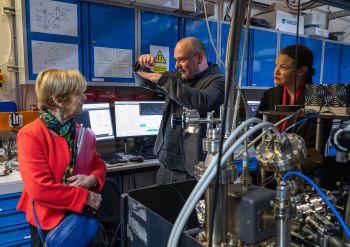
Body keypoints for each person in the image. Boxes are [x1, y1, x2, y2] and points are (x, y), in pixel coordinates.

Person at [16, 69, 106, 246]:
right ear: (59, 100)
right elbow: (40, 189)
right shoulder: (31, 134)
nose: (85, 97)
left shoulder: (81, 133)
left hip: (80, 218)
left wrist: (92, 178)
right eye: (78, 93)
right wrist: (86, 197)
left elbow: (99, 164)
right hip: (49, 223)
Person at [134, 37, 225, 184]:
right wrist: (141, 66)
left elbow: (201, 102)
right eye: (176, 60)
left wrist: (163, 80)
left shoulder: (218, 81)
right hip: (165, 165)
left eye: (182, 60)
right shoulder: (177, 76)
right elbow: (144, 82)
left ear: (200, 57)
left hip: (193, 171)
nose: (177, 65)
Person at [256, 44, 332, 158]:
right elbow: (257, 132)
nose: (276, 71)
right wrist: (268, 156)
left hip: (301, 168)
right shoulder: (269, 95)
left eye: (283, 67)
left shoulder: (318, 97)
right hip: (269, 166)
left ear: (302, 70)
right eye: (276, 65)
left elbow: (314, 141)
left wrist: (282, 156)